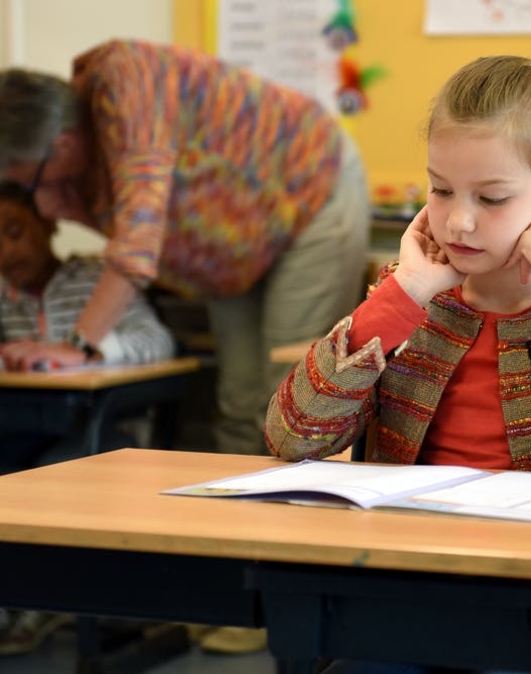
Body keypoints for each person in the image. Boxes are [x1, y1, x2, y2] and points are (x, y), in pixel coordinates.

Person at [0, 38, 370, 654]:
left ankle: (303, 601)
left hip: (310, 199)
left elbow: (139, 235)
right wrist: (65, 199)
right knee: (236, 409)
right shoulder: (73, 165)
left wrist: (79, 344)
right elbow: (143, 229)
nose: (22, 193)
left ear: (59, 146)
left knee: (298, 409)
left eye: (20, 178)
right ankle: (239, 590)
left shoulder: (126, 79)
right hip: (229, 251)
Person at [266, 55, 531, 505]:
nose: (459, 222)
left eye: (492, 198)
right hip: (409, 548)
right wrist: (403, 294)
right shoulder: (412, 294)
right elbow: (292, 435)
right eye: (442, 190)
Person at [0, 180, 176, 655]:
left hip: (100, 430)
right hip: (22, 429)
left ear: (47, 224)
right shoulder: (2, 293)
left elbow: (157, 343)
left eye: (14, 231)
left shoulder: (97, 280)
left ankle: (37, 602)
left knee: (45, 479)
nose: (5, 250)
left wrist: (86, 353)